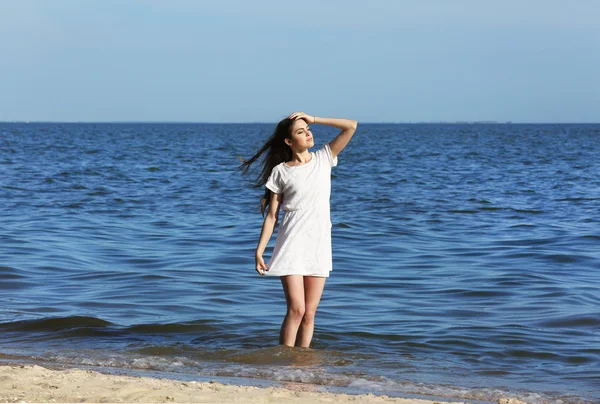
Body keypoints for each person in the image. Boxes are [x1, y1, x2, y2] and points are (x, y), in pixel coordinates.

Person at [240, 112, 357, 348]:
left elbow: (351, 126)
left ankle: (302, 365)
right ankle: (285, 360)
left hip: (319, 244)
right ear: (288, 141)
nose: (308, 133)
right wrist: (259, 251)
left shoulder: (324, 157)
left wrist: (313, 118)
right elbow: (272, 215)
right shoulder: (281, 171)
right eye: (300, 131)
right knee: (296, 310)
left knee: (310, 314)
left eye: (308, 129)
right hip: (291, 243)